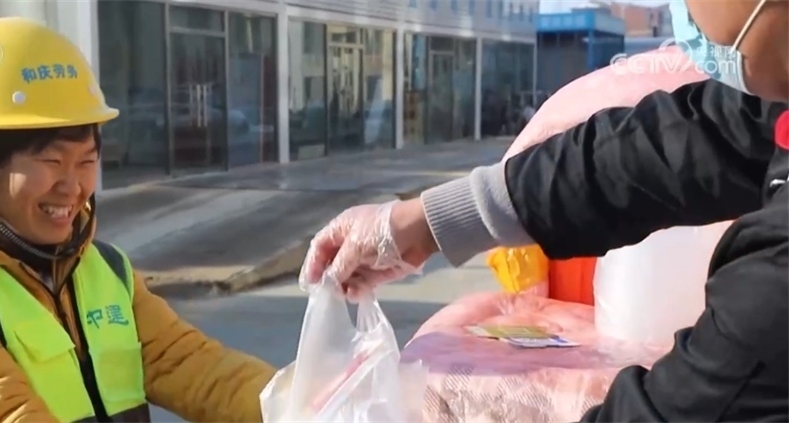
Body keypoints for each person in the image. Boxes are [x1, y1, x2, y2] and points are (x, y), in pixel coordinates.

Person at [300, 0, 789, 419]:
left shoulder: (775, 278)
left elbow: (689, 403)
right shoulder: (773, 107)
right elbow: (667, 147)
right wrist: (425, 222)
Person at [0, 17, 274, 422]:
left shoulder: (101, 268)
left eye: (86, 161)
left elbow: (193, 365)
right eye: (51, 161)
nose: (73, 187)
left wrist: (299, 403)